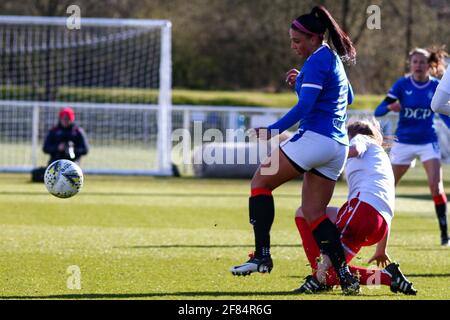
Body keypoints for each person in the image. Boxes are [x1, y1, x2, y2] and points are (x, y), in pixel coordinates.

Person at [229, 5, 361, 295]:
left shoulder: (316, 61)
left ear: (315, 38)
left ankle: (262, 255)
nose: (294, 46)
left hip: (315, 138)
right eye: (291, 40)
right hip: (337, 146)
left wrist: (273, 130)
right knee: (314, 214)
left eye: (298, 41)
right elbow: (347, 96)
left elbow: (305, 108)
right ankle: (345, 276)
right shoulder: (332, 58)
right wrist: (302, 83)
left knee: (260, 183)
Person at [293, 119, 417, 295]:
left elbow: (354, 150)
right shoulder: (379, 156)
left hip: (363, 211)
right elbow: (383, 206)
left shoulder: (361, 139)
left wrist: (324, 156)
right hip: (377, 221)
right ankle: (320, 274)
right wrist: (381, 249)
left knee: (332, 272)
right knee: (304, 213)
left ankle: (318, 279)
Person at [374, 47, 450, 246]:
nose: (418, 65)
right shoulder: (402, 85)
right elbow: (379, 110)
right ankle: (378, 232)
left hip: (427, 141)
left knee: (436, 186)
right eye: (415, 62)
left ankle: (444, 235)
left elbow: (443, 113)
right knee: (388, 187)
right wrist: (390, 106)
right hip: (404, 143)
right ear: (410, 64)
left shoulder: (435, 86)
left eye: (422, 62)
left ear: (429, 65)